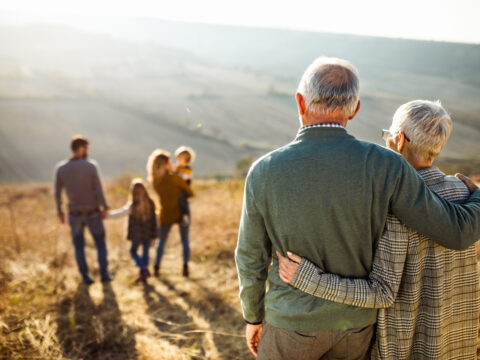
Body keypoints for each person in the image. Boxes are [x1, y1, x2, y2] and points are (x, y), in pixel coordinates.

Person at [235, 57, 480, 360]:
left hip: (291, 324)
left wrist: (253, 316)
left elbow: (250, 257)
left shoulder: (264, 171)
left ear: (300, 102)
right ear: (355, 109)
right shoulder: (386, 165)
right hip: (357, 328)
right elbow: (453, 231)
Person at [54, 135, 113, 284]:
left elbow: (57, 193)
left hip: (74, 214)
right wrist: (105, 207)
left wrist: (60, 212)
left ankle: (86, 277)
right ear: (81, 148)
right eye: (87, 148)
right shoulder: (91, 166)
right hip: (93, 212)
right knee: (100, 243)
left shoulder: (61, 169)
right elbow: (98, 190)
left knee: (78, 247)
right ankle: (104, 274)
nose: (88, 151)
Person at [147, 149, 194, 278]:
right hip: (181, 211)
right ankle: (185, 267)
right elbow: (190, 192)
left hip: (165, 212)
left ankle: (156, 267)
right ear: (165, 164)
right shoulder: (175, 178)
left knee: (161, 242)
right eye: (169, 161)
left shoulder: (155, 181)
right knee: (185, 240)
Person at [107, 178, 157, 284]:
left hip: (136, 235)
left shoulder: (132, 205)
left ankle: (143, 269)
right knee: (145, 253)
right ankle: (144, 271)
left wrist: (106, 215)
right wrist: (154, 233)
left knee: (133, 251)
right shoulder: (151, 203)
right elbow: (154, 220)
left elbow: (120, 213)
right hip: (148, 233)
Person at [174, 146, 196, 226]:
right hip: (178, 189)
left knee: (182, 200)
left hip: (185, 190)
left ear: (186, 160)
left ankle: (185, 215)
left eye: (180, 159)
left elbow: (184, 178)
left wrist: (177, 174)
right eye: (178, 159)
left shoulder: (188, 169)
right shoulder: (177, 168)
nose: (178, 161)